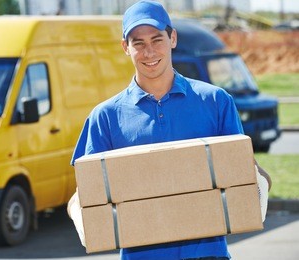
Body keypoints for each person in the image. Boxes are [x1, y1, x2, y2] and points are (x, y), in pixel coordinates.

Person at [68, 1, 271, 259]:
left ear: (172, 38)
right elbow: (84, 195)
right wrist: (82, 216)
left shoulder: (216, 102)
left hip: (208, 255)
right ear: (125, 48)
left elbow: (245, 175)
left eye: (157, 40)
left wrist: (257, 188)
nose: (149, 52)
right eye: (138, 43)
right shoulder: (105, 117)